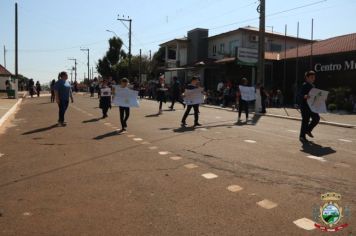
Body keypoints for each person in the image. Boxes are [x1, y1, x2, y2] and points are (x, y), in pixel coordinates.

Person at [299, 71, 320, 143]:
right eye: (311, 77)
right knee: (305, 120)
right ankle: (302, 136)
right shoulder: (304, 85)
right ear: (307, 78)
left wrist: (321, 98)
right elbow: (300, 94)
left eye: (314, 77)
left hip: (312, 106)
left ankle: (308, 130)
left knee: (316, 118)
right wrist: (304, 96)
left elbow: (316, 97)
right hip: (305, 106)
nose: (313, 79)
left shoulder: (313, 86)